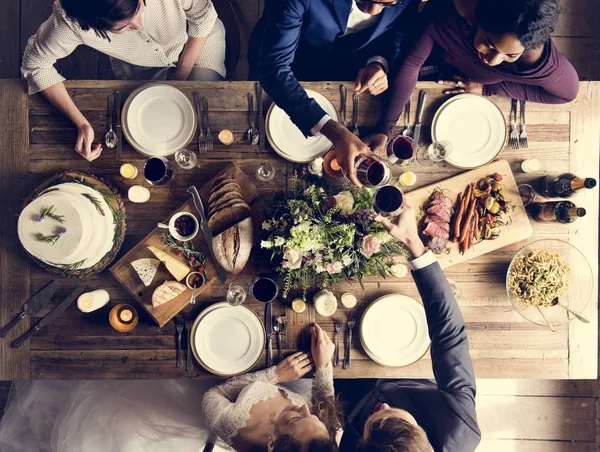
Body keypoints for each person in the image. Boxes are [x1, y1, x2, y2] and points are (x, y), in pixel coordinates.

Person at [338, 204, 481, 452]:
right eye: (395, 415)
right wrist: (412, 242)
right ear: (422, 432)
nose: (382, 406)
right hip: (410, 383)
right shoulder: (459, 428)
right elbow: (449, 335)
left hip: (353, 403)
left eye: (374, 423)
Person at [22, 0, 227, 162]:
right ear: (94, 25)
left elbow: (202, 17)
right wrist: (81, 123)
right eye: (123, 27)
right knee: (150, 134)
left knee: (202, 119)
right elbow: (36, 66)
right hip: (142, 67)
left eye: (139, 7)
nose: (139, 24)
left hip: (199, 42)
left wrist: (178, 80)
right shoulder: (71, 21)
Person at [364, 0, 579, 152]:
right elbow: (411, 63)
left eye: (510, 55)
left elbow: (566, 95)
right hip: (433, 63)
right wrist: (384, 128)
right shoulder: (447, 12)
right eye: (489, 44)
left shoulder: (533, 55)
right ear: (478, 19)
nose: (493, 60)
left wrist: (489, 89)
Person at [248, 0, 420, 187]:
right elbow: (273, 68)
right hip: (293, 59)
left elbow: (400, 28)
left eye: (387, 4)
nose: (373, 11)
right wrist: (335, 132)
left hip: (351, 66)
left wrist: (378, 62)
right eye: (366, 0)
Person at [201, 323, 341, 452]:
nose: (305, 408)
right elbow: (325, 399)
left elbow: (214, 393)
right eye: (315, 418)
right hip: (295, 380)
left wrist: (275, 375)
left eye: (296, 419)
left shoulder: (229, 424)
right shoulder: (326, 441)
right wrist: (323, 365)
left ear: (272, 443)